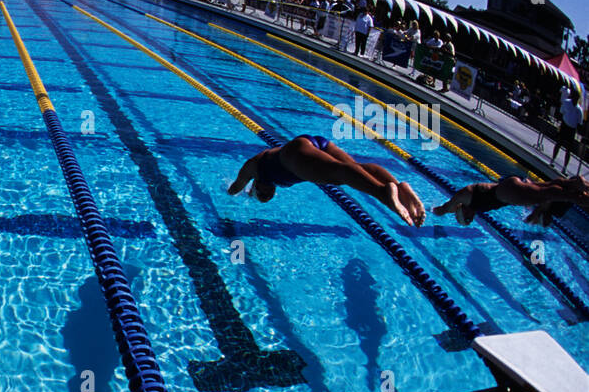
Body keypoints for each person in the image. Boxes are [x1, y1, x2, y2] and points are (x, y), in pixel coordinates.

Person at [228, 133, 426, 226]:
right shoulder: (262, 171)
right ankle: (399, 188)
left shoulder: (253, 167)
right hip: (313, 143)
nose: (267, 194)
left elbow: (236, 186)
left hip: (293, 155)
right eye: (267, 196)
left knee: (340, 175)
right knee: (356, 169)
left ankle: (383, 192)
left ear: (255, 184)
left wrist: (229, 192)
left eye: (261, 193)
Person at [432, 174, 589, 227]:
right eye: (469, 221)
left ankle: (576, 194)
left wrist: (434, 210)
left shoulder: (465, 196)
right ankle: (573, 183)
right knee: (546, 188)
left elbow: (446, 206)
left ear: (462, 209)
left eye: (467, 218)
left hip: (507, 192)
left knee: (545, 194)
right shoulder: (472, 204)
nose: (471, 218)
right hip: (508, 190)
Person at [550, 86, 584, 173]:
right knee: (559, 143)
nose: (576, 99)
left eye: (577, 98)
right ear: (572, 96)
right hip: (565, 126)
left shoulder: (579, 110)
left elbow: (579, 123)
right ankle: (552, 160)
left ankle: (564, 168)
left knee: (568, 150)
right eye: (575, 97)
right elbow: (561, 113)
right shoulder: (566, 102)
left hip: (572, 129)